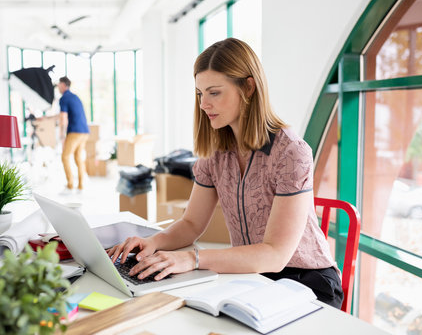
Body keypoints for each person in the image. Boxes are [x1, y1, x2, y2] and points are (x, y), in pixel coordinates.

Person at [108, 38, 344, 309]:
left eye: (214, 92)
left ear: (248, 87)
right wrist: (152, 243)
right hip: (252, 276)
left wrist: (193, 259)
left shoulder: (291, 153)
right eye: (199, 94)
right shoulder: (215, 154)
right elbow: (191, 224)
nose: (204, 104)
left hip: (306, 282)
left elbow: (276, 255)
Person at [57, 76, 90, 191]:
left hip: (75, 131)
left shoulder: (63, 98)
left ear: (63, 85)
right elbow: (65, 114)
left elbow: (63, 118)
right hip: (84, 132)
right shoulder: (75, 97)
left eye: (58, 85)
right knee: (78, 158)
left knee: (65, 156)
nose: (57, 87)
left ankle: (70, 184)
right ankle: (81, 185)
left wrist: (62, 136)